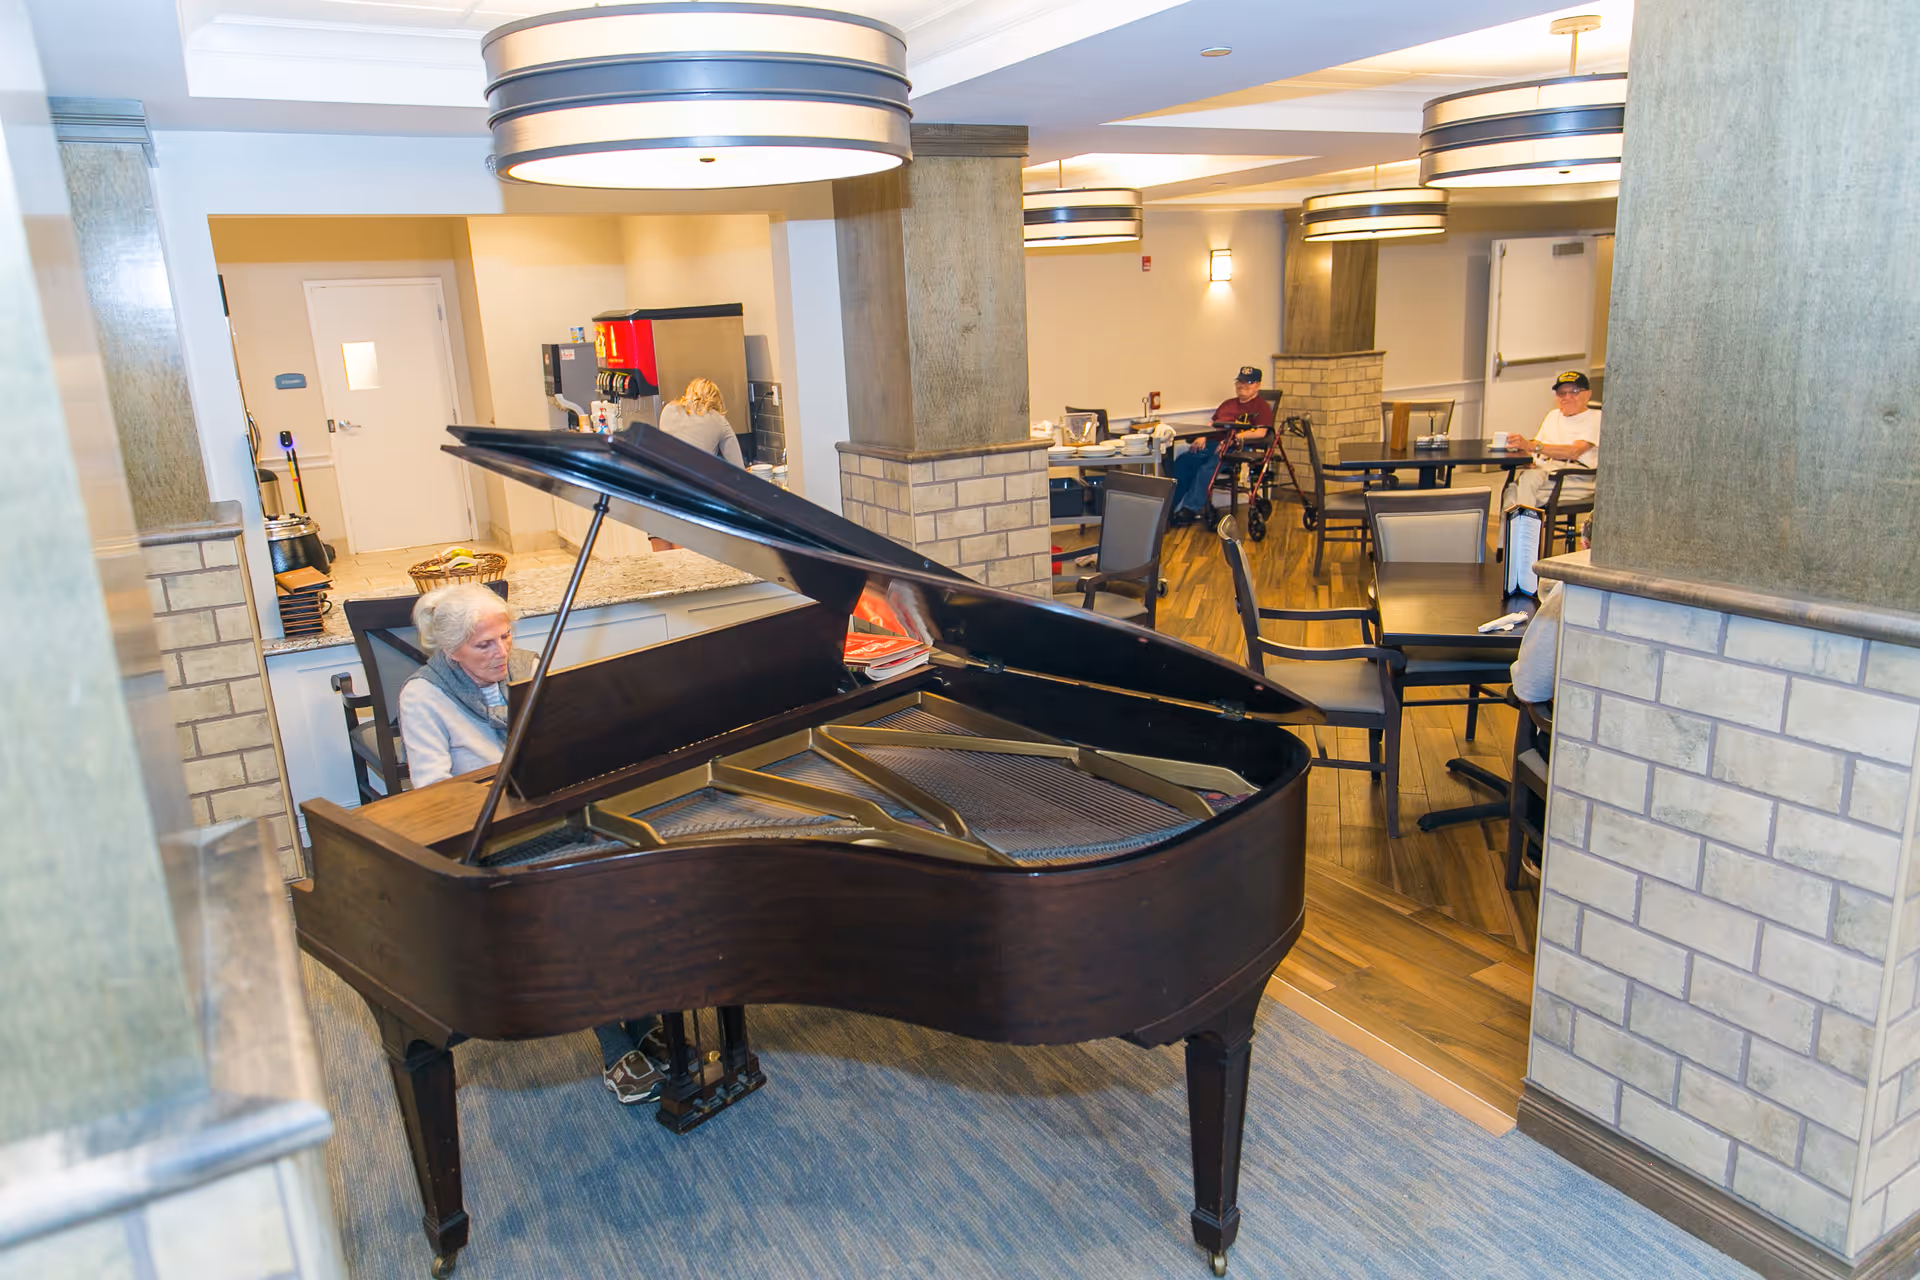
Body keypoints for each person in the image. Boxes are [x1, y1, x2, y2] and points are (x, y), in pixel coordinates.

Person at [398, 584, 666, 1105]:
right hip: (490, 838)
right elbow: (433, 798)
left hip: (553, 814)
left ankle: (644, 1020)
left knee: (634, 881)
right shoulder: (423, 696)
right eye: (484, 645)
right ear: (451, 650)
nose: (502, 653)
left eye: (506, 636)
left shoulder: (529, 665)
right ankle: (616, 1045)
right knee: (582, 903)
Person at [1168, 366, 1276, 525]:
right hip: (1213, 443)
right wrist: (1203, 435)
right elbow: (1212, 423)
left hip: (1237, 448)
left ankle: (1190, 509)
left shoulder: (1261, 407)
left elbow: (1261, 433)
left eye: (1249, 382)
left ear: (1258, 385)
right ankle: (1168, 508)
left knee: (1208, 468)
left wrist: (1234, 439)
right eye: (1240, 381)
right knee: (1185, 461)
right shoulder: (1228, 404)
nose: (1243, 385)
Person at [1503, 370, 1600, 511]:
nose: (1567, 397)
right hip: (1545, 473)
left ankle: (1524, 532)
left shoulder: (1596, 417)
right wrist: (1524, 453)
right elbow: (1536, 452)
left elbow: (1574, 452)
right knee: (1514, 492)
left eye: (1574, 391)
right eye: (1561, 393)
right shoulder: (1553, 416)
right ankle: (1522, 532)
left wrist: (1531, 446)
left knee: (1516, 494)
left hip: (1575, 476)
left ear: (1588, 394)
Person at [658, 376, 744, 467]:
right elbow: (739, 470)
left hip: (663, 477)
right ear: (716, 401)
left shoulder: (667, 409)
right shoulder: (719, 420)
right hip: (694, 479)